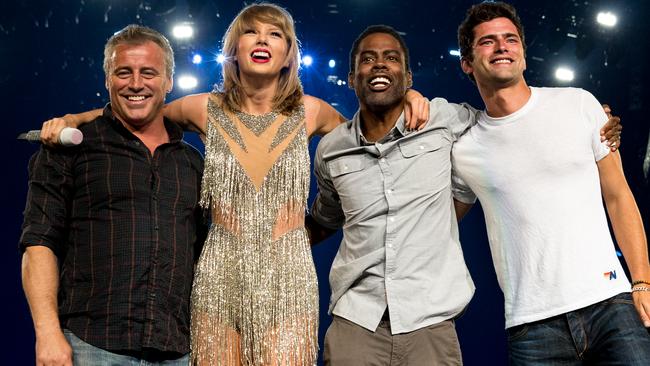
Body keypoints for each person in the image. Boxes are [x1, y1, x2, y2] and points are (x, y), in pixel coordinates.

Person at [39, 4, 430, 365]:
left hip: (287, 278)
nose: (262, 39)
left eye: (275, 34)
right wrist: (75, 118)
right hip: (218, 275)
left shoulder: (313, 112)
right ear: (234, 49)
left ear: (288, 54)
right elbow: (132, 112)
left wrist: (407, 94)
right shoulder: (201, 108)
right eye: (251, 32)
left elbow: (373, 132)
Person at [452, 2, 650, 364]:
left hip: (612, 305)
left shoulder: (578, 104)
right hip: (532, 326)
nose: (502, 47)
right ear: (467, 62)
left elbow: (619, 197)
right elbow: (441, 222)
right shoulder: (463, 149)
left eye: (511, 39)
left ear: (523, 55)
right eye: (488, 41)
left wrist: (642, 282)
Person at [20, 25, 206, 365]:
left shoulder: (192, 163)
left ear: (169, 82)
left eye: (148, 73)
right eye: (124, 73)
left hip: (177, 351)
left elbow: (207, 258)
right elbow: (39, 244)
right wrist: (47, 334)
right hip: (90, 347)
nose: (136, 84)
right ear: (108, 79)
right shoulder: (70, 148)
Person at [306, 24, 477, 365]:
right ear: (353, 78)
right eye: (368, 59)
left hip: (430, 320)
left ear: (408, 77)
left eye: (391, 58)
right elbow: (326, 218)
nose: (380, 65)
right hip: (356, 321)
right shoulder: (330, 149)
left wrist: (594, 122)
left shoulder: (445, 119)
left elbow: (507, 122)